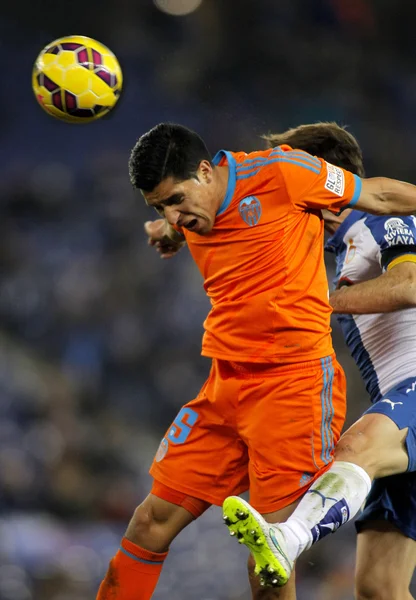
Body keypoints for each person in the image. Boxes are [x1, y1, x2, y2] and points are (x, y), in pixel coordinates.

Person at [96, 122, 416, 600]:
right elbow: (205, 217)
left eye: (177, 201)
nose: (174, 214)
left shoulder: (286, 175)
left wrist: (313, 302)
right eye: (161, 206)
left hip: (294, 388)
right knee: (149, 523)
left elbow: (382, 199)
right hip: (225, 385)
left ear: (205, 172)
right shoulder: (192, 209)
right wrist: (167, 230)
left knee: (267, 559)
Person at [223, 123, 416, 600]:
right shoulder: (328, 249)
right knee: (379, 588)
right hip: (398, 402)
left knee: (354, 450)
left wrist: (318, 302)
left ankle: (285, 539)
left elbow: (410, 283)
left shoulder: (379, 221)